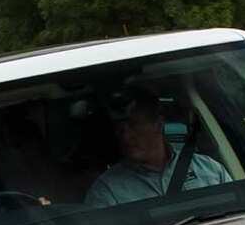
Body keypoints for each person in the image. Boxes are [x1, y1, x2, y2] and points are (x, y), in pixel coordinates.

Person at [84, 87, 232, 207]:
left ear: (159, 124)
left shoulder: (208, 168)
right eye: (120, 129)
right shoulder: (107, 191)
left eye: (134, 126)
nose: (126, 136)